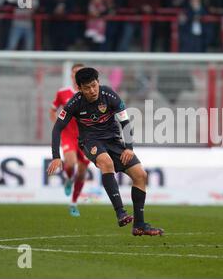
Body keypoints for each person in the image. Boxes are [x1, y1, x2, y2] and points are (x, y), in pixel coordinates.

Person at [47, 67, 163, 236]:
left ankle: (139, 225)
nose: (92, 90)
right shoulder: (74, 102)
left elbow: (125, 122)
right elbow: (57, 128)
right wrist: (56, 156)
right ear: (79, 88)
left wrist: (129, 148)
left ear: (98, 82)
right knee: (106, 163)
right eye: (87, 88)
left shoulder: (109, 95)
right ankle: (120, 212)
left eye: (94, 85)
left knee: (140, 175)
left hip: (114, 141)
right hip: (90, 141)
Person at [49, 63, 89, 217]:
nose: (77, 75)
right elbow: (52, 110)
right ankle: (67, 178)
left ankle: (73, 202)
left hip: (86, 137)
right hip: (68, 135)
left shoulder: (91, 93)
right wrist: (57, 126)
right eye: (75, 73)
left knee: (82, 172)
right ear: (72, 76)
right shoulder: (63, 93)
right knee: (71, 162)